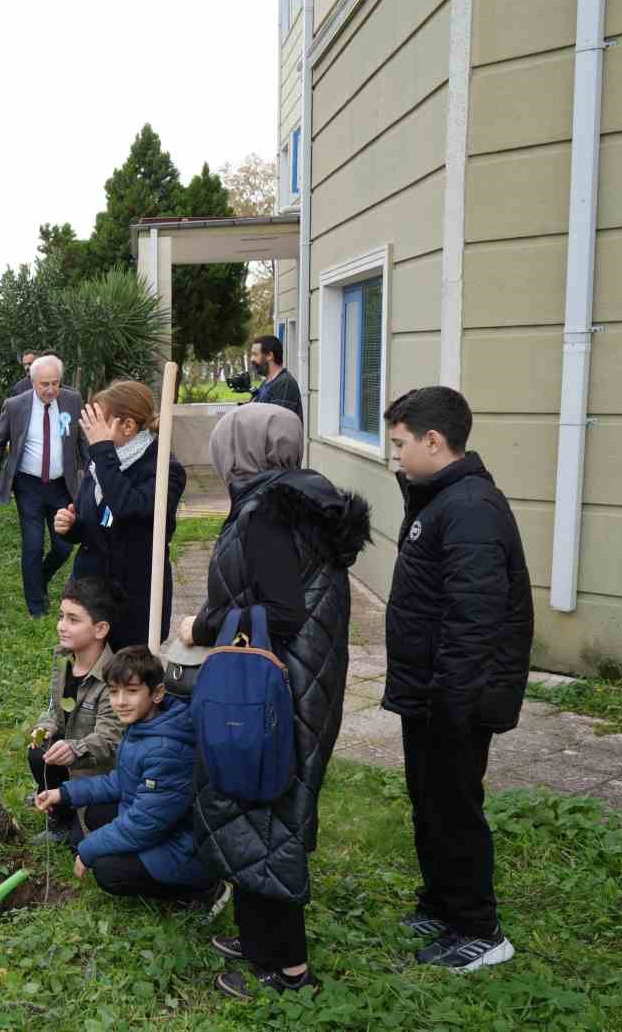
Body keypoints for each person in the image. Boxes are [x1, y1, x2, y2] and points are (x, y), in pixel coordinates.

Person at [177, 403, 369, 1000]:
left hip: (273, 688)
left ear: (242, 451)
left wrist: (202, 627)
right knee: (263, 808)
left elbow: (279, 613)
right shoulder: (297, 500)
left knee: (266, 813)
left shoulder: (265, 513)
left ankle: (284, 969)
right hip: (297, 681)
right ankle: (259, 940)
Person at [382, 386, 531, 972]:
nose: (393, 455)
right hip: (432, 692)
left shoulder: (471, 509)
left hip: (455, 698)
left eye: (399, 444)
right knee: (430, 800)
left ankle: (480, 929)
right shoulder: (441, 497)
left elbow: (475, 621)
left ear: (433, 441)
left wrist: (449, 704)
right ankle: (442, 903)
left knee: (454, 807)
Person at [34, 646, 220, 905]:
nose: (120, 701)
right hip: (163, 824)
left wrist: (89, 850)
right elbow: (122, 781)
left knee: (108, 870)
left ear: (157, 693)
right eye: (113, 691)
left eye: (132, 691)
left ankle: (202, 891)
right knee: (94, 814)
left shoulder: (166, 750)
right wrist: (63, 793)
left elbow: (144, 825)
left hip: (186, 846)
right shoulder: (146, 723)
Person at [52, 381, 186, 650]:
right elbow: (98, 521)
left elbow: (128, 508)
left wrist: (102, 452)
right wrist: (71, 525)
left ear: (128, 426)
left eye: (101, 421)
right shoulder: (100, 460)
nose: (92, 429)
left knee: (128, 675)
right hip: (91, 590)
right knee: (87, 675)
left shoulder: (163, 468)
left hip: (134, 595)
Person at [0, 354, 88, 618]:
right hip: (28, 486)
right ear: (33, 382)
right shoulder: (15, 405)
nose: (51, 389)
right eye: (45, 384)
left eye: (56, 383)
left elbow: (82, 443)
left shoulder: (72, 401)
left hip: (61, 486)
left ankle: (40, 578)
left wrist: (92, 474)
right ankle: (36, 606)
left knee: (64, 545)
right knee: (32, 545)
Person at [26, 577, 123, 845]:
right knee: (39, 751)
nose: (61, 626)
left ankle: (77, 818)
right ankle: (60, 817)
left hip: (100, 776)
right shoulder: (65, 662)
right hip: (71, 763)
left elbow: (110, 740)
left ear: (100, 629)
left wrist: (73, 749)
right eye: (61, 616)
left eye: (73, 619)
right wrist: (45, 726)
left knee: (79, 843)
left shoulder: (114, 678)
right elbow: (55, 710)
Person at [249, 334, 303, 422]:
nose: (251, 359)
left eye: (255, 354)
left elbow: (278, 422)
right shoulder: (266, 383)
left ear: (270, 355)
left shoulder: (285, 383)